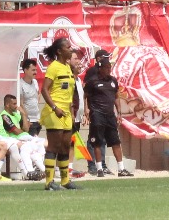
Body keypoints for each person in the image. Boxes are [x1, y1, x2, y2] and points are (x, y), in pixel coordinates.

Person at [39, 37, 80, 191]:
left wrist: (71, 112)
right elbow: (44, 89)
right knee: (54, 146)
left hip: (66, 112)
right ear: (59, 51)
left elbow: (69, 94)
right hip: (54, 111)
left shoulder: (68, 67)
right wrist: (54, 107)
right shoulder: (53, 67)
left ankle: (65, 181)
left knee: (65, 146)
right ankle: (49, 182)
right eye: (68, 47)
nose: (71, 49)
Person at [83, 50, 132, 177]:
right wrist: (86, 110)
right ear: (100, 68)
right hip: (97, 114)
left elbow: (116, 96)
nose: (109, 69)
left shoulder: (113, 81)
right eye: (106, 67)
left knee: (115, 141)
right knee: (97, 142)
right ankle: (99, 168)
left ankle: (121, 169)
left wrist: (119, 111)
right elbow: (85, 95)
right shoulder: (93, 81)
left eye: (110, 67)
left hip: (110, 114)